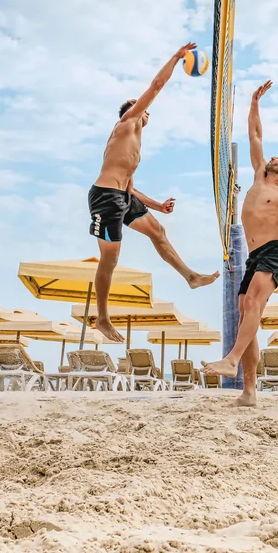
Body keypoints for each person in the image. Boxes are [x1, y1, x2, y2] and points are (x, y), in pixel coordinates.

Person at [202, 80, 278, 406]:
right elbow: (255, 134)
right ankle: (250, 392)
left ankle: (231, 361)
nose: (271, 156)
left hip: (274, 253)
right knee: (246, 316)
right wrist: (255, 101)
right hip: (255, 256)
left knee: (253, 305)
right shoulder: (259, 175)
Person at [88, 43, 220, 343]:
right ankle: (103, 319)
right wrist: (176, 58)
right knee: (110, 260)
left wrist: (158, 206)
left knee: (158, 231)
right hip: (105, 198)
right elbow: (157, 85)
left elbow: (131, 188)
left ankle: (191, 277)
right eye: (139, 106)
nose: (145, 109)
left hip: (122, 196)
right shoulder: (126, 123)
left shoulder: (135, 146)